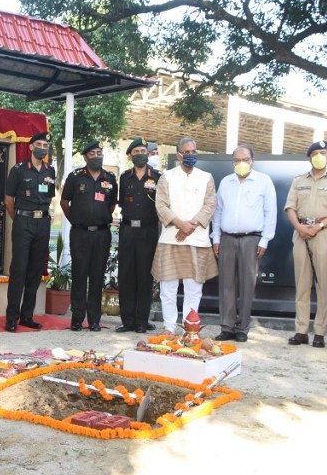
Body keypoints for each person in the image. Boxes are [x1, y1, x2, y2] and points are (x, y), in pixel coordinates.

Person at [284, 140, 327, 348]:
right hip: (301, 233)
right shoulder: (298, 180)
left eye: (324, 152)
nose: (321, 156)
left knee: (323, 284)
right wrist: (300, 228)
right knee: (302, 285)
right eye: (317, 153)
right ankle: (301, 330)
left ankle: (320, 332)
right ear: (309, 156)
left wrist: (318, 226)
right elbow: (290, 207)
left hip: (323, 234)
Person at [211, 145, 277, 342]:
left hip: (252, 239)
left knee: (248, 285)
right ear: (233, 162)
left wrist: (265, 239)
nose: (241, 163)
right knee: (226, 285)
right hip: (227, 238)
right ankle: (227, 327)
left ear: (252, 161)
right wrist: (216, 238)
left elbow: (270, 212)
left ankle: (242, 328)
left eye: (245, 159)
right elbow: (218, 212)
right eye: (237, 160)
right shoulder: (226, 182)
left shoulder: (263, 181)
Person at [151, 138, 217, 334]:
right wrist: (180, 224)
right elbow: (161, 205)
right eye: (186, 152)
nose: (190, 155)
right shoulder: (167, 177)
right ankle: (169, 327)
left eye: (193, 151)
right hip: (171, 239)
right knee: (168, 287)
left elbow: (210, 205)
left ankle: (190, 327)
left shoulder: (206, 177)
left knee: (193, 288)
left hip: (197, 241)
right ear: (178, 155)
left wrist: (191, 225)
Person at [61, 141, 118, 331]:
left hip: (102, 234)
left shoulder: (109, 178)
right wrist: (76, 220)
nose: (96, 156)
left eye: (99, 153)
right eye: (92, 153)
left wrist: (100, 218)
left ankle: (94, 320)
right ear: (85, 157)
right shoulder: (75, 177)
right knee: (79, 276)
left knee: (97, 277)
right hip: (80, 234)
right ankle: (77, 319)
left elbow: (111, 205)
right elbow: (64, 202)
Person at [4, 131, 56, 332]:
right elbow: (8, 200)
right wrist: (18, 219)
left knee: (35, 271)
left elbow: (50, 197)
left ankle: (27, 316)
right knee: (19, 270)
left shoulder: (49, 171)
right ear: (31, 147)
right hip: (23, 222)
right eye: (39, 144)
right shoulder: (18, 170)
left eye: (45, 144)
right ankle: (11, 317)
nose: (43, 147)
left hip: (42, 223)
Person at [116, 137, 162, 333]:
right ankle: (127, 320)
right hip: (127, 230)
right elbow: (120, 204)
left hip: (148, 230)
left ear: (148, 153)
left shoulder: (158, 177)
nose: (140, 154)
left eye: (143, 151)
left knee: (144, 275)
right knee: (126, 275)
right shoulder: (124, 177)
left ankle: (142, 320)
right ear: (130, 156)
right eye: (136, 152)